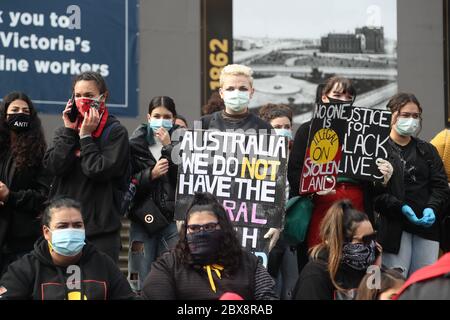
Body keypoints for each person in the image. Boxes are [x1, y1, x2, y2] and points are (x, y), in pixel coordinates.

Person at [287, 76, 391, 274]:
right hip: (320, 214)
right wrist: (313, 185)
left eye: (348, 96)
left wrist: (383, 179)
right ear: (324, 98)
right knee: (319, 267)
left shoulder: (364, 130)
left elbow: (373, 185)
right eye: (337, 95)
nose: (343, 100)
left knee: (359, 270)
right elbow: (294, 174)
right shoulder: (307, 130)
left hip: (359, 214)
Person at [43, 71, 130, 263]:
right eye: (78, 95)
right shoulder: (65, 131)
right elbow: (53, 167)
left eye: (89, 96)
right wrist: (68, 132)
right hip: (63, 229)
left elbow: (97, 170)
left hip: (100, 233)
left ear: (103, 97)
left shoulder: (115, 133)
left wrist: (86, 137)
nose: (82, 100)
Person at [199, 64, 280, 253]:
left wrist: (276, 221)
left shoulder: (265, 130)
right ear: (221, 93)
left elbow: (275, 178)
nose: (237, 92)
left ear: (252, 92)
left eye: (243, 88)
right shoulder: (204, 124)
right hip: (210, 218)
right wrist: (183, 213)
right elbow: (191, 173)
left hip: (249, 221)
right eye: (230, 88)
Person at [142, 192, 278, 300]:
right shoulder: (168, 266)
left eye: (209, 227)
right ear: (185, 231)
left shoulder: (250, 264)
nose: (201, 233)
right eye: (194, 228)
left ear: (223, 227)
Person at [373, 93, 450, 278]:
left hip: (427, 229)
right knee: (394, 281)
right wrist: (401, 207)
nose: (411, 120)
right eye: (405, 115)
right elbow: (375, 193)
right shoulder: (379, 149)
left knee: (424, 282)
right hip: (394, 228)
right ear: (391, 115)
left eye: (415, 116)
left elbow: (440, 186)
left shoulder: (427, 150)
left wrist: (432, 208)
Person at [0, 198, 134, 300]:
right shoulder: (24, 269)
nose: (71, 231)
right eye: (62, 226)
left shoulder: (103, 264)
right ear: (46, 232)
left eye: (77, 225)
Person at [127, 96, 180, 294]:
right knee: (138, 271)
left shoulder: (181, 142)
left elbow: (187, 178)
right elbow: (126, 182)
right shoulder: (135, 143)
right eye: (157, 116)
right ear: (148, 117)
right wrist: (151, 174)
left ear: (174, 119)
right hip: (142, 219)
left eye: (167, 116)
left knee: (171, 270)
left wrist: (168, 147)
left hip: (172, 221)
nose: (161, 120)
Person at [0, 92, 49, 275]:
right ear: (4, 116)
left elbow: (44, 197)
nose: (20, 113)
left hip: (22, 245)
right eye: (14, 110)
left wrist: (10, 196)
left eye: (25, 110)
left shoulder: (39, 153)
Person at [294, 200, 382, 300]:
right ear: (342, 241)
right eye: (366, 239)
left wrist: (376, 270)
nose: (371, 244)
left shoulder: (368, 267)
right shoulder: (316, 274)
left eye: (373, 237)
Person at [259, 104, 298, 299]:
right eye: (277, 127)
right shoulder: (257, 158)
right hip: (266, 232)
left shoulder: (296, 158)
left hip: (291, 232)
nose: (284, 131)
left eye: (287, 127)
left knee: (291, 284)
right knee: (270, 283)